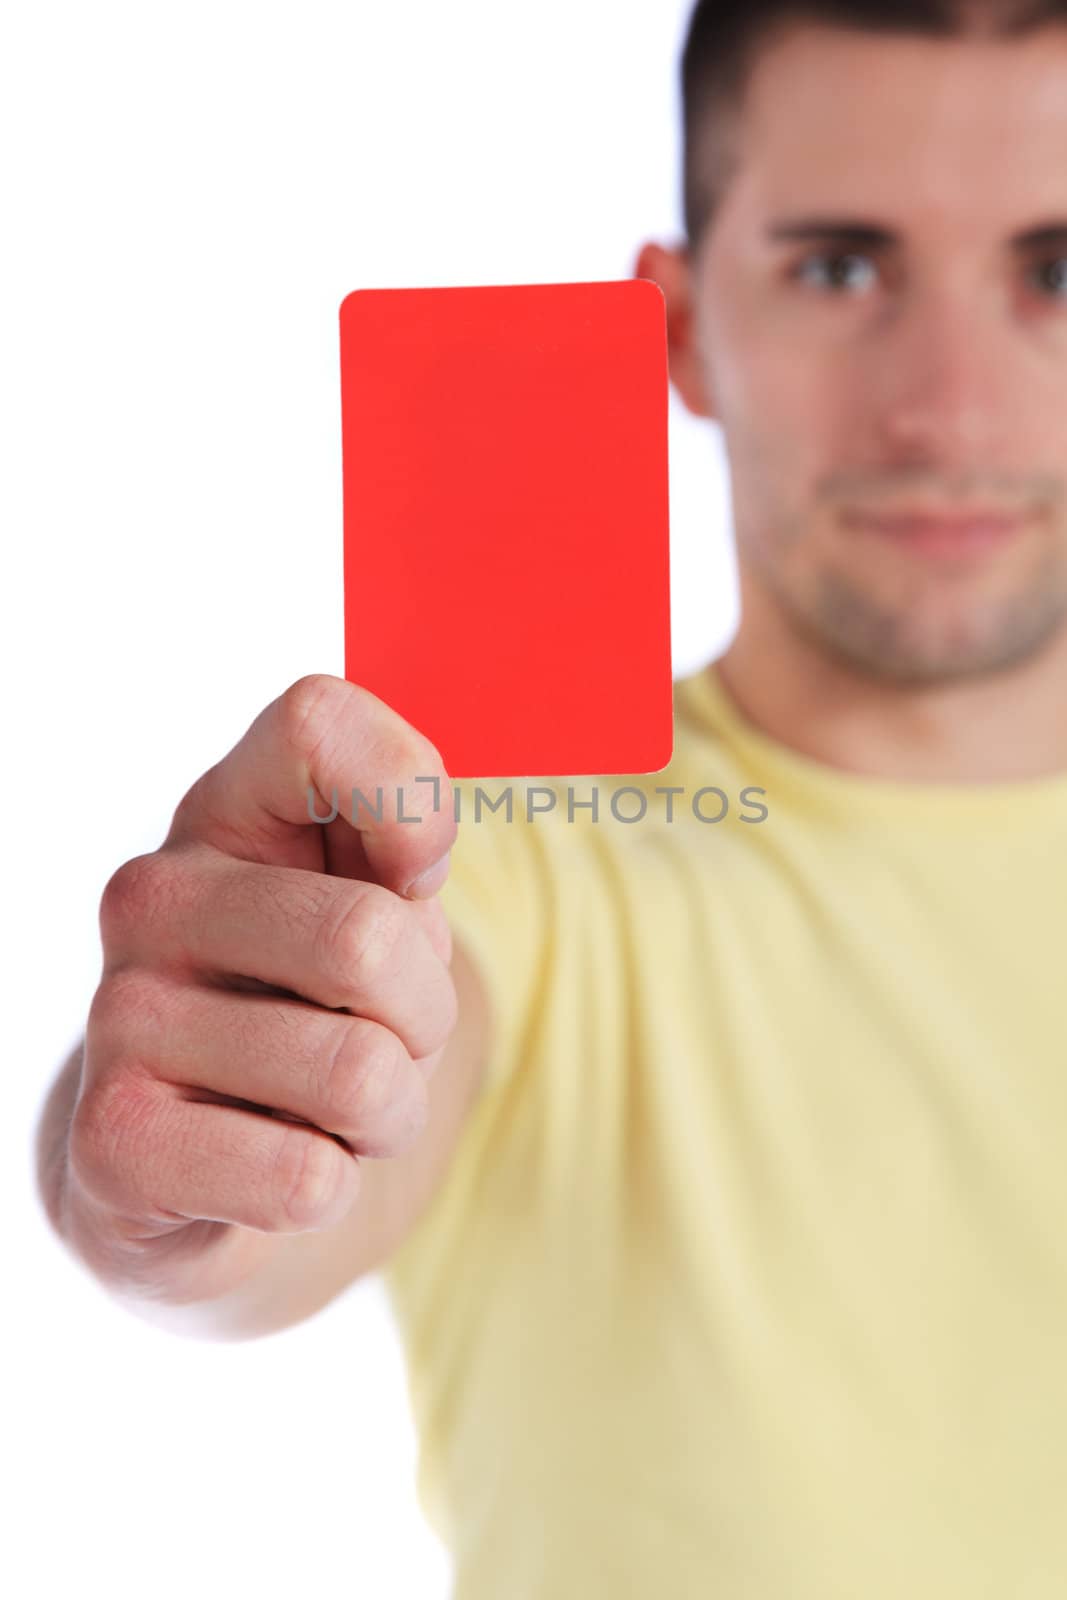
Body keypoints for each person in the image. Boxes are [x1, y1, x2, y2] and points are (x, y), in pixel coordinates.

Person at [34, 0, 1067, 1594]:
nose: (949, 410)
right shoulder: (484, 855)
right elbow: (308, 1154)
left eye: (1056, 272)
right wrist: (171, 1178)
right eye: (840, 267)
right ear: (680, 331)